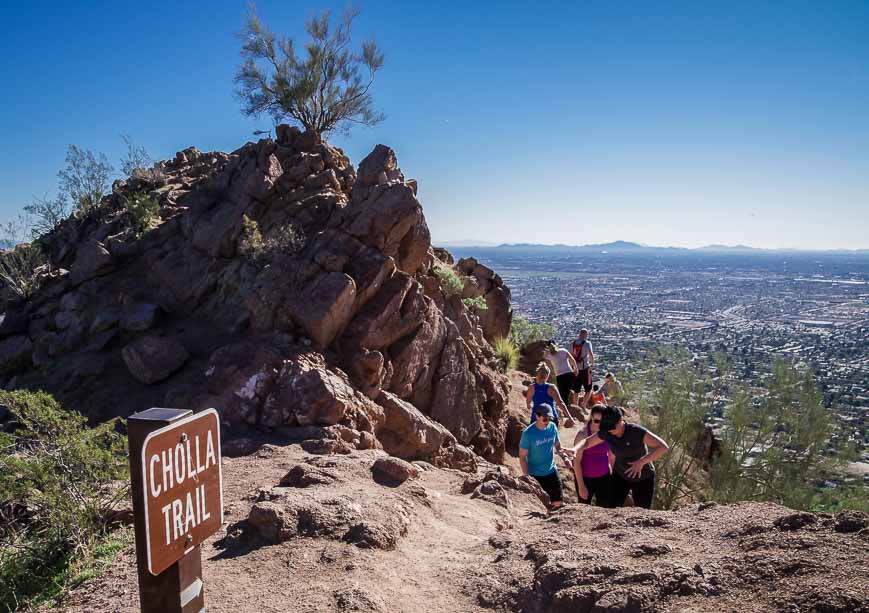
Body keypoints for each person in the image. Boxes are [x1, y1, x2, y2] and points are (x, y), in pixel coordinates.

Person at [569, 406, 669, 509]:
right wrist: (576, 448)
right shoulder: (607, 432)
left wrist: (642, 462)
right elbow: (586, 442)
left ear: (621, 420)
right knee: (611, 508)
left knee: (643, 510)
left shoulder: (636, 431)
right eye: (607, 427)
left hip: (643, 476)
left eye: (612, 427)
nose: (610, 430)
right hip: (620, 475)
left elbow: (663, 447)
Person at [519, 404, 570, 510]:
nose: (548, 422)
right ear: (537, 416)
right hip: (535, 475)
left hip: (551, 471)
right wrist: (527, 477)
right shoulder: (528, 433)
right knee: (543, 508)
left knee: (558, 504)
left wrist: (565, 458)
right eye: (545, 419)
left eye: (550, 418)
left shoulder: (552, 427)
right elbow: (522, 457)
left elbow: (558, 446)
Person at [572, 404, 614, 507]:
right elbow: (576, 461)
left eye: (603, 421)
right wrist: (581, 486)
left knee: (605, 508)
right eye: (596, 421)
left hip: (604, 477)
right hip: (586, 479)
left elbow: (612, 456)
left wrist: (612, 475)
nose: (600, 424)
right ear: (591, 418)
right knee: (584, 509)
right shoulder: (582, 435)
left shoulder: (608, 433)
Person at [525, 362, 575, 428]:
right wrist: (570, 417)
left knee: (536, 438)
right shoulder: (551, 387)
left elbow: (528, 402)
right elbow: (560, 403)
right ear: (547, 376)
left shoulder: (531, 387)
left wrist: (530, 405)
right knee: (551, 438)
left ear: (537, 374)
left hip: (536, 419)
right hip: (550, 418)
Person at [544, 341, 578, 412]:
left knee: (562, 393)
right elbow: (572, 360)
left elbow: (546, 362)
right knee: (567, 391)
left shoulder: (549, 355)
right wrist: (575, 368)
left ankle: (565, 410)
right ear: (556, 344)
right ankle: (567, 408)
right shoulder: (563, 351)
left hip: (560, 376)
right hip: (569, 373)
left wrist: (546, 353)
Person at [571, 329, 595, 409]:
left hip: (576, 370)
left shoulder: (572, 344)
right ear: (585, 335)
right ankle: (584, 405)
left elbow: (569, 357)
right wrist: (592, 365)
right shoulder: (587, 343)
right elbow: (591, 355)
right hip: (585, 369)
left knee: (576, 390)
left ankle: (575, 406)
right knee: (588, 388)